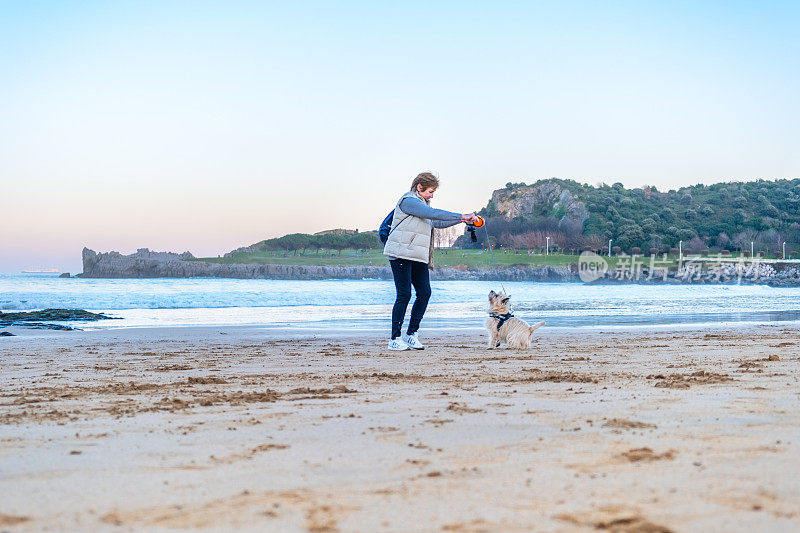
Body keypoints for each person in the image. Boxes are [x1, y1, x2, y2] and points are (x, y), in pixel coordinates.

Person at [383, 172, 478, 351]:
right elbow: (431, 213)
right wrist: (461, 215)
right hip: (400, 254)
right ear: (419, 187)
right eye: (430, 191)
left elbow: (435, 221)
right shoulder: (408, 201)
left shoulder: (423, 205)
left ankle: (411, 335)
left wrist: (462, 221)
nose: (432, 195)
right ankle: (394, 338)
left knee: (425, 293)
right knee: (404, 295)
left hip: (418, 255)